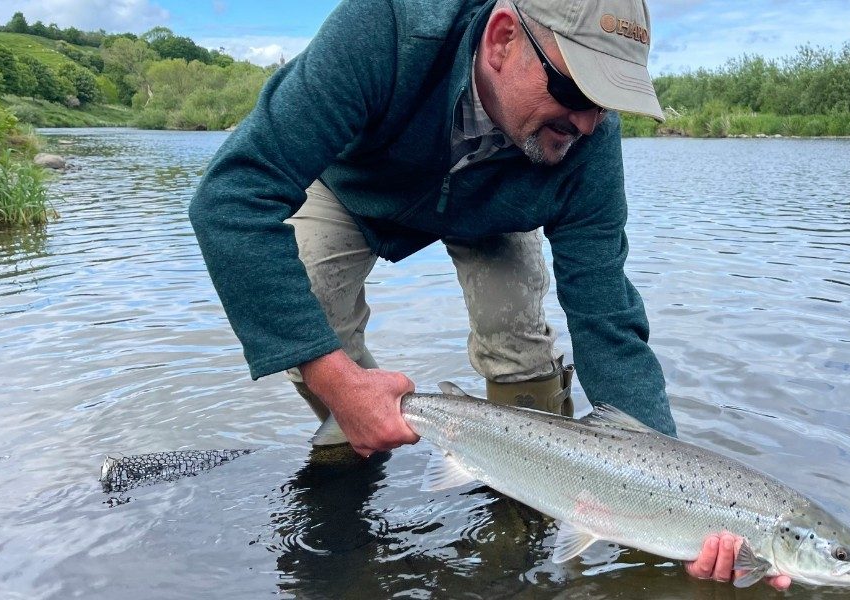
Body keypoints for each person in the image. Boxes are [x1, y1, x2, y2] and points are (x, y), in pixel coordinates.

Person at [189, 0, 789, 590]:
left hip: (494, 206)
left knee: (520, 344)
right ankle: (354, 441)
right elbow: (232, 197)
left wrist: (674, 492)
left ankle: (527, 508)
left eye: (608, 103)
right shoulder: (388, 28)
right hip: (355, 184)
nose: (588, 123)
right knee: (313, 312)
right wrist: (335, 377)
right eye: (578, 90)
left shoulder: (584, 141)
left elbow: (606, 316)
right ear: (502, 39)